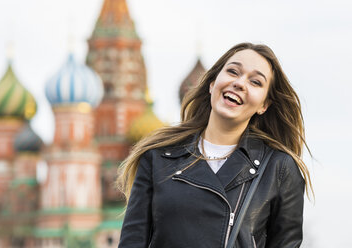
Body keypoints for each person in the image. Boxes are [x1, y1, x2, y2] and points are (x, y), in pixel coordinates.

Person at [117, 42, 312, 248]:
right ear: (212, 83)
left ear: (264, 105)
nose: (240, 83)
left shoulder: (278, 169)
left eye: (255, 82)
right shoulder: (158, 157)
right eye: (233, 71)